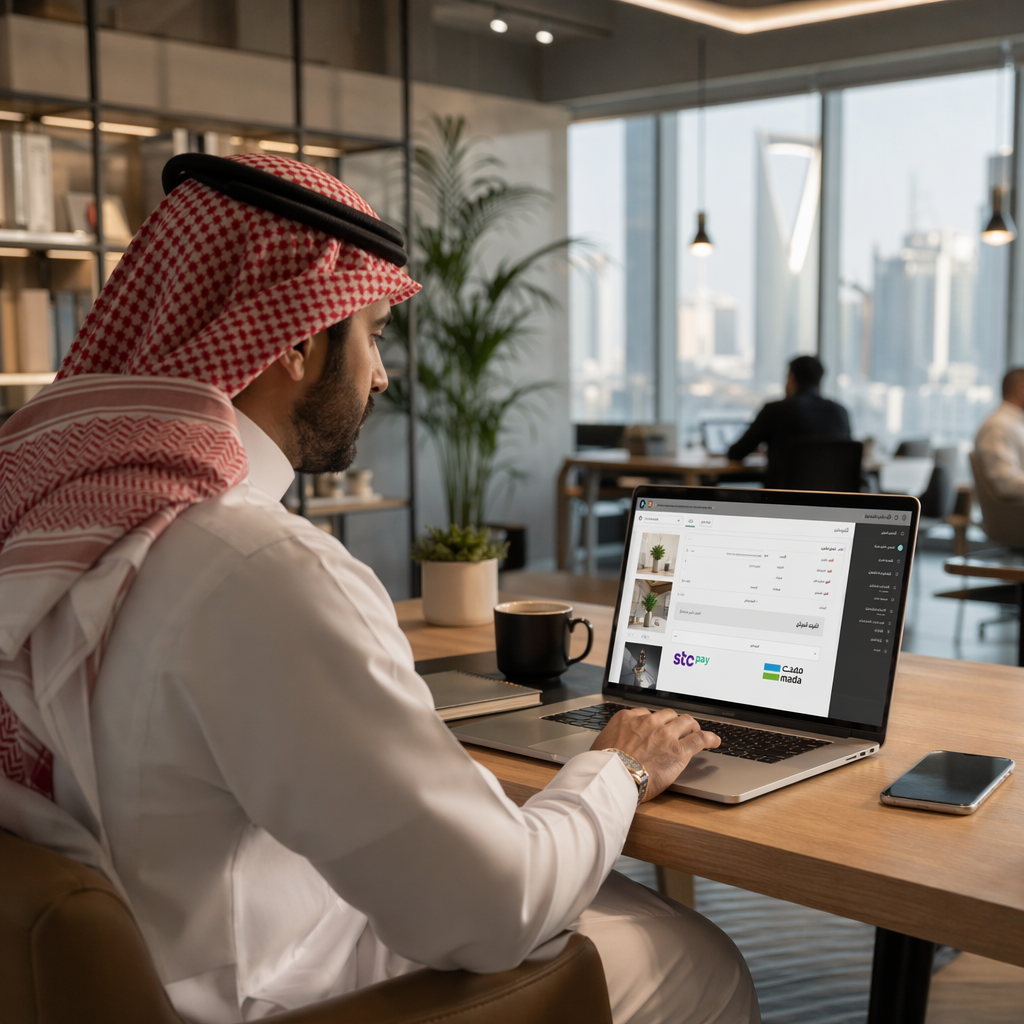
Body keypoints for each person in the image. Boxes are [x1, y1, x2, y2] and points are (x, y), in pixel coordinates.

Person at [0, 153, 759, 1024]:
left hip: (152, 954)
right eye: (373, 335)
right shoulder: (253, 565)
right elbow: (493, 911)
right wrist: (619, 764)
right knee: (696, 958)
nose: (383, 375)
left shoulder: (56, 524)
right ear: (294, 338)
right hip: (266, 987)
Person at [728, 355, 850, 488]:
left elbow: (736, 453)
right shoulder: (840, 411)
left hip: (784, 501)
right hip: (832, 501)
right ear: (819, 382)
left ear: (791, 378)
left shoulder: (774, 410)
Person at [974, 367, 1024, 500]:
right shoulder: (997, 426)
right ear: (1021, 390)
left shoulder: (1015, 424)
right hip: (1015, 514)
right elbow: (1006, 483)